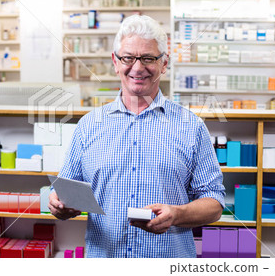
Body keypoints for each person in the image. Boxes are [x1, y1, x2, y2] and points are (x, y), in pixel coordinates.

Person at [49, 15, 225, 258]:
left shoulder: (191, 127)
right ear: (116, 61)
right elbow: (66, 190)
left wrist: (177, 214)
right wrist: (59, 204)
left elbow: (214, 202)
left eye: (148, 58)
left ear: (164, 63)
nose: (138, 67)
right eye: (128, 58)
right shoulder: (89, 126)